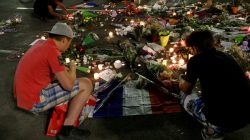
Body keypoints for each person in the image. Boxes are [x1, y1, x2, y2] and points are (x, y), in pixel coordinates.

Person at [14, 22, 93, 140]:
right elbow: (69, 86)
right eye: (70, 42)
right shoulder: (53, 53)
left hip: (21, 95)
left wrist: (65, 72)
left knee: (61, 79)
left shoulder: (41, 44)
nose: (68, 46)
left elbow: (48, 69)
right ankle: (67, 130)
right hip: (33, 101)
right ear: (64, 40)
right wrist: (73, 69)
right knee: (86, 83)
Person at [179, 30, 250, 140]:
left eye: (190, 49)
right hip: (246, 116)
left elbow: (186, 88)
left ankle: (213, 130)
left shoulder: (196, 60)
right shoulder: (227, 56)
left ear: (195, 48)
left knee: (184, 98)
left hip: (223, 119)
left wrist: (180, 82)